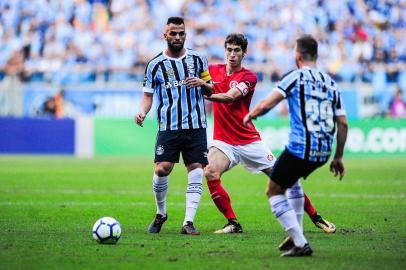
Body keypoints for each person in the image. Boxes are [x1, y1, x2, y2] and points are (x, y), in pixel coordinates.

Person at [205, 33, 336, 235]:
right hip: (223, 141)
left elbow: (230, 97)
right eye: (229, 50)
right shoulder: (213, 70)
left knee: (285, 178)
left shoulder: (248, 77)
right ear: (225, 50)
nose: (232, 54)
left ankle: (316, 217)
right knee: (210, 171)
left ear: (244, 53)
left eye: (237, 50)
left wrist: (204, 91)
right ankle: (233, 223)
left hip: (249, 140)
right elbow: (195, 78)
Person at [243, 34, 348, 256]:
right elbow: (343, 124)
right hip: (323, 151)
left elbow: (267, 104)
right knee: (292, 183)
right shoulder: (331, 82)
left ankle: (300, 242)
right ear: (316, 55)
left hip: (301, 148)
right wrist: (338, 157)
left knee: (273, 190)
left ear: (297, 55)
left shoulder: (295, 77)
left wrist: (250, 115)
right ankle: (296, 235)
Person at [135, 17, 213, 235]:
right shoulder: (155, 65)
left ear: (185, 35)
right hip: (169, 126)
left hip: (196, 125)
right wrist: (142, 112)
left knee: (197, 170)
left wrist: (202, 84)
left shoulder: (198, 60)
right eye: (173, 33)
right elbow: (147, 97)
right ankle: (161, 213)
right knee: (162, 169)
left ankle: (188, 222)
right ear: (165, 35)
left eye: (181, 33)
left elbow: (212, 90)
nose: (177, 37)